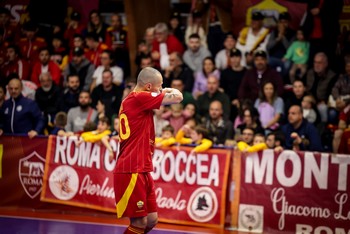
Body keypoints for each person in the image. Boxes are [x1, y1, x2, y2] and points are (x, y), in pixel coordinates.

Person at [114, 67, 183, 233]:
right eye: (159, 86)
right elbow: (178, 97)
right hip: (131, 168)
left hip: (142, 167)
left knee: (151, 220)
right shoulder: (139, 97)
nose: (161, 89)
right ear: (149, 87)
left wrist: (161, 90)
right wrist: (167, 90)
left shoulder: (134, 99)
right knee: (139, 222)